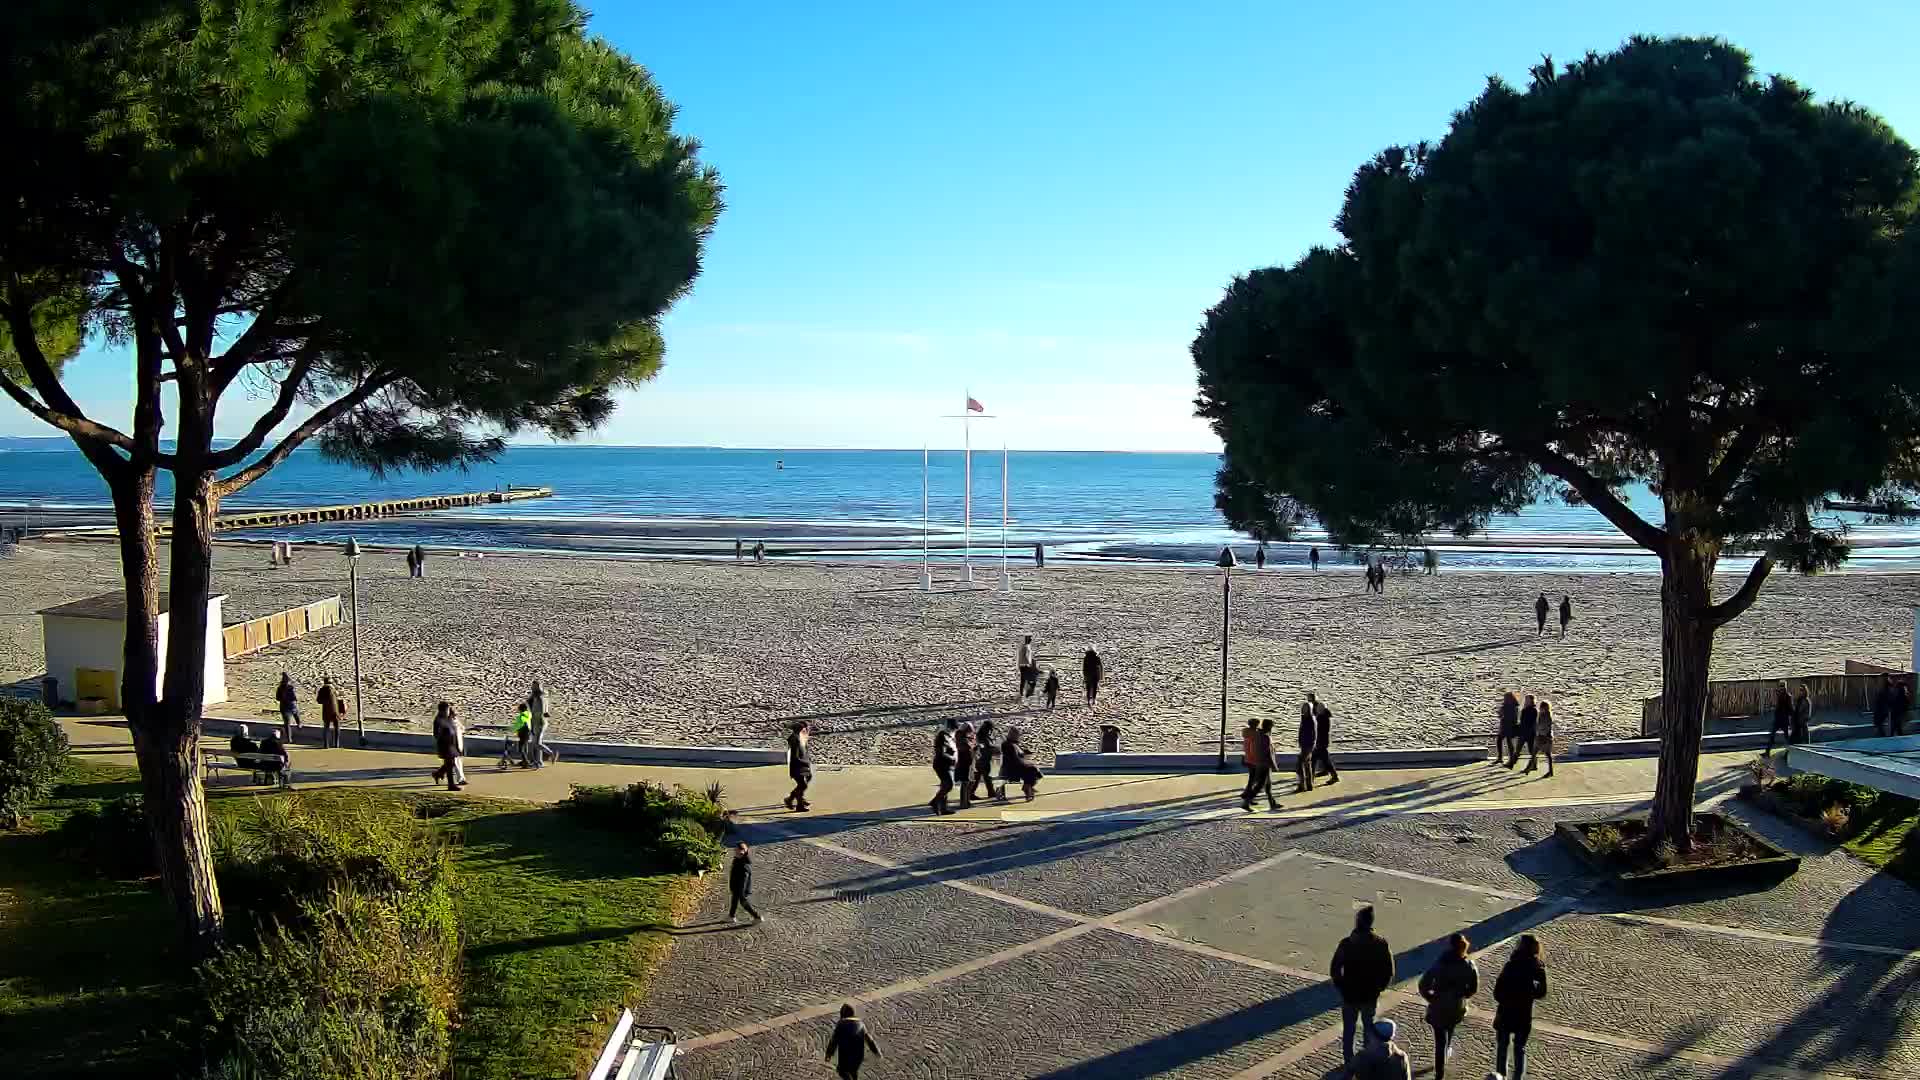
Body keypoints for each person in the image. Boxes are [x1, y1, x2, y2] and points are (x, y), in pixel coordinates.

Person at [1331, 905, 1395, 1068]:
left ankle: (1348, 1062)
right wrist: (1379, 988)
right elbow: (1389, 970)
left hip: (1350, 995)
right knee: (1369, 1028)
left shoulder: (1346, 944)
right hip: (1369, 995)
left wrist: (1342, 987)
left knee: (1349, 1030)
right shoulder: (1380, 944)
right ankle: (1368, 1059)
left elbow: (1335, 968)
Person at [1420, 932, 1480, 1080]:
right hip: (1456, 1006)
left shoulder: (1440, 963)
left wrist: (1431, 997)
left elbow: (1423, 984)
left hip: (1439, 1005)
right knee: (1450, 1030)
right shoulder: (1468, 965)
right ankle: (1446, 1053)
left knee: (1440, 1039)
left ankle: (1439, 1073)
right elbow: (1473, 987)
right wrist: (1463, 995)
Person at [1492, 934, 1547, 1080]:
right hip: (1523, 1013)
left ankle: (1501, 1076)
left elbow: (1498, 990)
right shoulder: (1537, 967)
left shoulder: (1511, 965)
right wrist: (1529, 993)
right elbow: (1542, 992)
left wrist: (1504, 1000)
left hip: (1506, 1011)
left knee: (1502, 1048)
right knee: (1519, 1049)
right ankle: (1517, 1078)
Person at [824, 1003, 880, 1080]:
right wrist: (875, 1051)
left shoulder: (841, 1024)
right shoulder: (861, 1024)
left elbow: (834, 1041)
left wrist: (829, 1054)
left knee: (842, 1071)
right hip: (859, 1056)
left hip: (846, 1055)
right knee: (853, 1071)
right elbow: (869, 1040)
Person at [431, 701, 466, 791]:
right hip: (445, 745)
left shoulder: (448, 717)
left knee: (451, 763)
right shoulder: (439, 720)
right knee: (450, 765)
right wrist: (444, 739)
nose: (448, 711)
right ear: (441, 710)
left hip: (452, 744)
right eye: (447, 710)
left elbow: (455, 725)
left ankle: (438, 773)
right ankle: (451, 785)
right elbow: (436, 734)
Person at [1240, 718, 1272, 812]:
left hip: (1249, 759)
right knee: (1256, 781)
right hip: (1254, 760)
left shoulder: (1248, 733)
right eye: (1257, 724)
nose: (1259, 726)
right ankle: (1247, 797)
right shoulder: (1255, 735)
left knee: (1253, 780)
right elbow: (1254, 748)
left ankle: (1248, 796)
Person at [1002, 727, 1040, 801]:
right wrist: (1025, 762)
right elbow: (1014, 759)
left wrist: (1024, 753)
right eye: (1017, 735)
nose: (1018, 737)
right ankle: (1027, 787)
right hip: (1012, 768)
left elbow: (1018, 755)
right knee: (1032, 769)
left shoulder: (1012, 744)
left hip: (1014, 766)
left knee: (1032, 769)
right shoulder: (1009, 745)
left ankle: (1028, 787)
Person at [727, 841, 761, 923]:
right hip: (736, 886)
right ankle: (731, 916)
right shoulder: (737, 860)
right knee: (734, 900)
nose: (734, 851)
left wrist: (741, 892)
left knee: (743, 902)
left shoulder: (744, 865)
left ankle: (757, 917)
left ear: (741, 852)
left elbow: (744, 880)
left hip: (740, 889)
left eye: (736, 850)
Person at [1310, 692, 1340, 783]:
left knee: (1322, 760)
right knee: (1316, 758)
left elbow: (1318, 730)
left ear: (1320, 710)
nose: (1316, 711)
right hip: (1322, 742)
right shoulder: (1324, 717)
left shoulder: (1321, 719)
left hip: (1321, 742)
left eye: (1317, 709)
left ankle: (1334, 776)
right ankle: (1319, 773)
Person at [930, 718, 958, 815]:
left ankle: (943, 808)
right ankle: (935, 802)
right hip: (942, 764)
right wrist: (952, 758)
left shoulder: (949, 736)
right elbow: (940, 752)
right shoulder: (942, 736)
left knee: (944, 785)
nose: (954, 731)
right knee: (949, 785)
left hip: (948, 765)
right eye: (953, 728)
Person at [968, 719, 1000, 802]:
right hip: (983, 759)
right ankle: (990, 792)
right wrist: (994, 749)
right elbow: (985, 747)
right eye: (991, 728)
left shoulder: (983, 735)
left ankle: (971, 793)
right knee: (985, 777)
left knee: (981, 777)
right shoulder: (982, 736)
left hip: (983, 759)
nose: (991, 730)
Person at [528, 679, 557, 767]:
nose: (532, 688)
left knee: (536, 743)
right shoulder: (541, 696)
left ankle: (551, 753)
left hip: (539, 722)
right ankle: (539, 761)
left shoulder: (539, 697)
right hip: (540, 722)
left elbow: (540, 712)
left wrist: (534, 724)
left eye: (534, 687)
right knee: (536, 742)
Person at [785, 720, 813, 811]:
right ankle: (799, 805)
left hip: (804, 764)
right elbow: (795, 755)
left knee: (807, 779)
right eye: (805, 728)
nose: (807, 729)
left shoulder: (801, 737)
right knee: (802, 785)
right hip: (798, 766)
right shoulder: (795, 739)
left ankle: (791, 798)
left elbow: (804, 751)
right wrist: (803, 762)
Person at [1526, 699, 1555, 777]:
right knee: (1546, 755)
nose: (1540, 708)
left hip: (1543, 737)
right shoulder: (1546, 715)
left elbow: (1544, 727)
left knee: (1538, 753)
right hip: (1544, 737)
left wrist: (1539, 733)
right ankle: (1549, 771)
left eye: (1542, 707)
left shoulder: (1546, 716)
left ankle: (1529, 768)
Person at [1510, 695, 1538, 769]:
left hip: (1528, 733)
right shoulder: (1528, 710)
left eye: (1527, 699)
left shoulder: (1532, 710)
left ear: (1531, 700)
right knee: (1520, 749)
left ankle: (1534, 765)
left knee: (1529, 750)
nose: (1525, 701)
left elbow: (1529, 722)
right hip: (1526, 732)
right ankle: (1512, 763)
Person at [1295, 702, 1317, 792]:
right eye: (1303, 708)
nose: (1303, 709)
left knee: (1299, 764)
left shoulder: (1310, 719)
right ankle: (1309, 785)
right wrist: (1300, 741)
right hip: (1304, 744)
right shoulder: (1304, 717)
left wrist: (1312, 744)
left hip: (1308, 744)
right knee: (1307, 764)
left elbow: (1313, 733)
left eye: (1306, 708)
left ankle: (1302, 784)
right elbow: (1301, 731)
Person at [1766, 680, 1793, 753]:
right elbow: (1778, 706)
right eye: (1780, 686)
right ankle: (1767, 751)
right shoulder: (1779, 695)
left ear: (1785, 687)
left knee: (1786, 737)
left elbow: (1790, 709)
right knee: (1772, 735)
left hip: (1784, 719)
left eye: (1782, 686)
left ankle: (1790, 751)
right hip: (1778, 719)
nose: (1781, 688)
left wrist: (1790, 718)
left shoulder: (1788, 696)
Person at [955, 721, 977, 811]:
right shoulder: (961, 737)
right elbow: (966, 748)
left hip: (968, 761)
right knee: (966, 782)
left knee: (970, 781)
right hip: (964, 762)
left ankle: (966, 801)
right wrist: (973, 746)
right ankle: (964, 802)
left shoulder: (964, 736)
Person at [317, 675, 343, 749]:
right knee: (337, 727)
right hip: (335, 711)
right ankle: (336, 744)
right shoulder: (333, 689)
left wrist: (325, 701)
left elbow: (319, 700)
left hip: (326, 711)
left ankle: (326, 744)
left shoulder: (322, 690)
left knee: (326, 728)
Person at [275, 672, 300, 741]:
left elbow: (277, 698)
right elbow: (294, 697)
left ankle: (289, 738)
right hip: (292, 705)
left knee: (287, 724)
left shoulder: (280, 688)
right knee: (296, 712)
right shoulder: (291, 687)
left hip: (284, 707)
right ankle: (299, 723)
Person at [1495, 692, 1519, 764]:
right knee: (1505, 741)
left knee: (1506, 741)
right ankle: (1504, 758)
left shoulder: (1509, 706)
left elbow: (1502, 715)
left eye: (1505, 698)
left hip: (1508, 725)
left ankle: (1505, 758)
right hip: (1507, 725)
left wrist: (1501, 713)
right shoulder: (1514, 706)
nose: (1504, 699)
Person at [1018, 635, 1037, 700]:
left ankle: (1021, 693)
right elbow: (1027, 656)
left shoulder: (1022, 646)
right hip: (1026, 665)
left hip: (1021, 665)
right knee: (1031, 680)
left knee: (1023, 680)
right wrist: (1030, 663)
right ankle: (1029, 693)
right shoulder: (1027, 647)